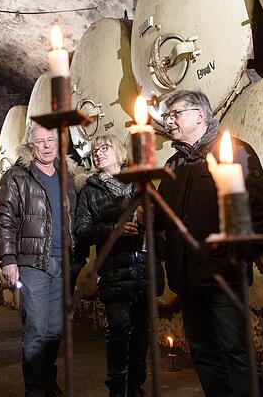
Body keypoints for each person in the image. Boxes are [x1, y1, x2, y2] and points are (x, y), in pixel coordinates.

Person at [158, 90, 263, 397]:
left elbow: (260, 213)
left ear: (200, 115)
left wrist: (237, 258)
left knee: (237, 352)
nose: (169, 121)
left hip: (224, 274)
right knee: (203, 353)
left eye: (175, 114)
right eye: (167, 116)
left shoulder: (235, 152)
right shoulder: (173, 164)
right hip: (186, 277)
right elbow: (162, 220)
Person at [0, 123, 79, 397]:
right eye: (40, 141)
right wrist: (8, 259)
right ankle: (35, 389)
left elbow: (73, 220)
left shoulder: (67, 178)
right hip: (32, 264)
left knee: (55, 329)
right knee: (36, 329)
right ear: (30, 147)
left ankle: (47, 380)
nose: (47, 145)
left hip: (62, 263)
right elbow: (3, 218)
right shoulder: (16, 177)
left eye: (51, 140)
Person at [74, 134, 160, 397]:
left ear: (120, 153)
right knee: (119, 329)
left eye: (105, 148)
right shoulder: (89, 191)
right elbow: (81, 230)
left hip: (145, 265)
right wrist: (114, 229)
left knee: (142, 330)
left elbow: (162, 216)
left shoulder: (140, 182)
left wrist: (151, 218)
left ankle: (136, 386)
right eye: (95, 150)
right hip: (113, 269)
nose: (98, 153)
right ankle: (117, 388)